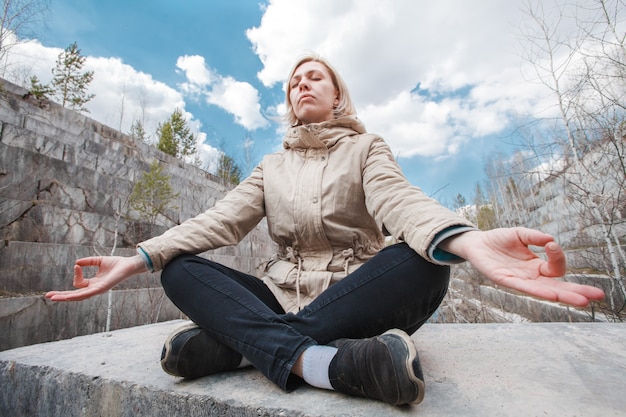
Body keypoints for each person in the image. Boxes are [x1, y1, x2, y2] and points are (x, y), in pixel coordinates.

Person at [45, 54, 605, 407]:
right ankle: (331, 364)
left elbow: (398, 201)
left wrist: (462, 239)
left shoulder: (367, 148)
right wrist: (141, 257)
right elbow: (219, 220)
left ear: (337, 96)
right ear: (289, 103)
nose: (302, 85)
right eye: (294, 82)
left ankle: (240, 347)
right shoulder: (270, 166)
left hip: (352, 295)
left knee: (425, 262)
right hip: (282, 290)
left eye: (315, 77)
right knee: (182, 268)